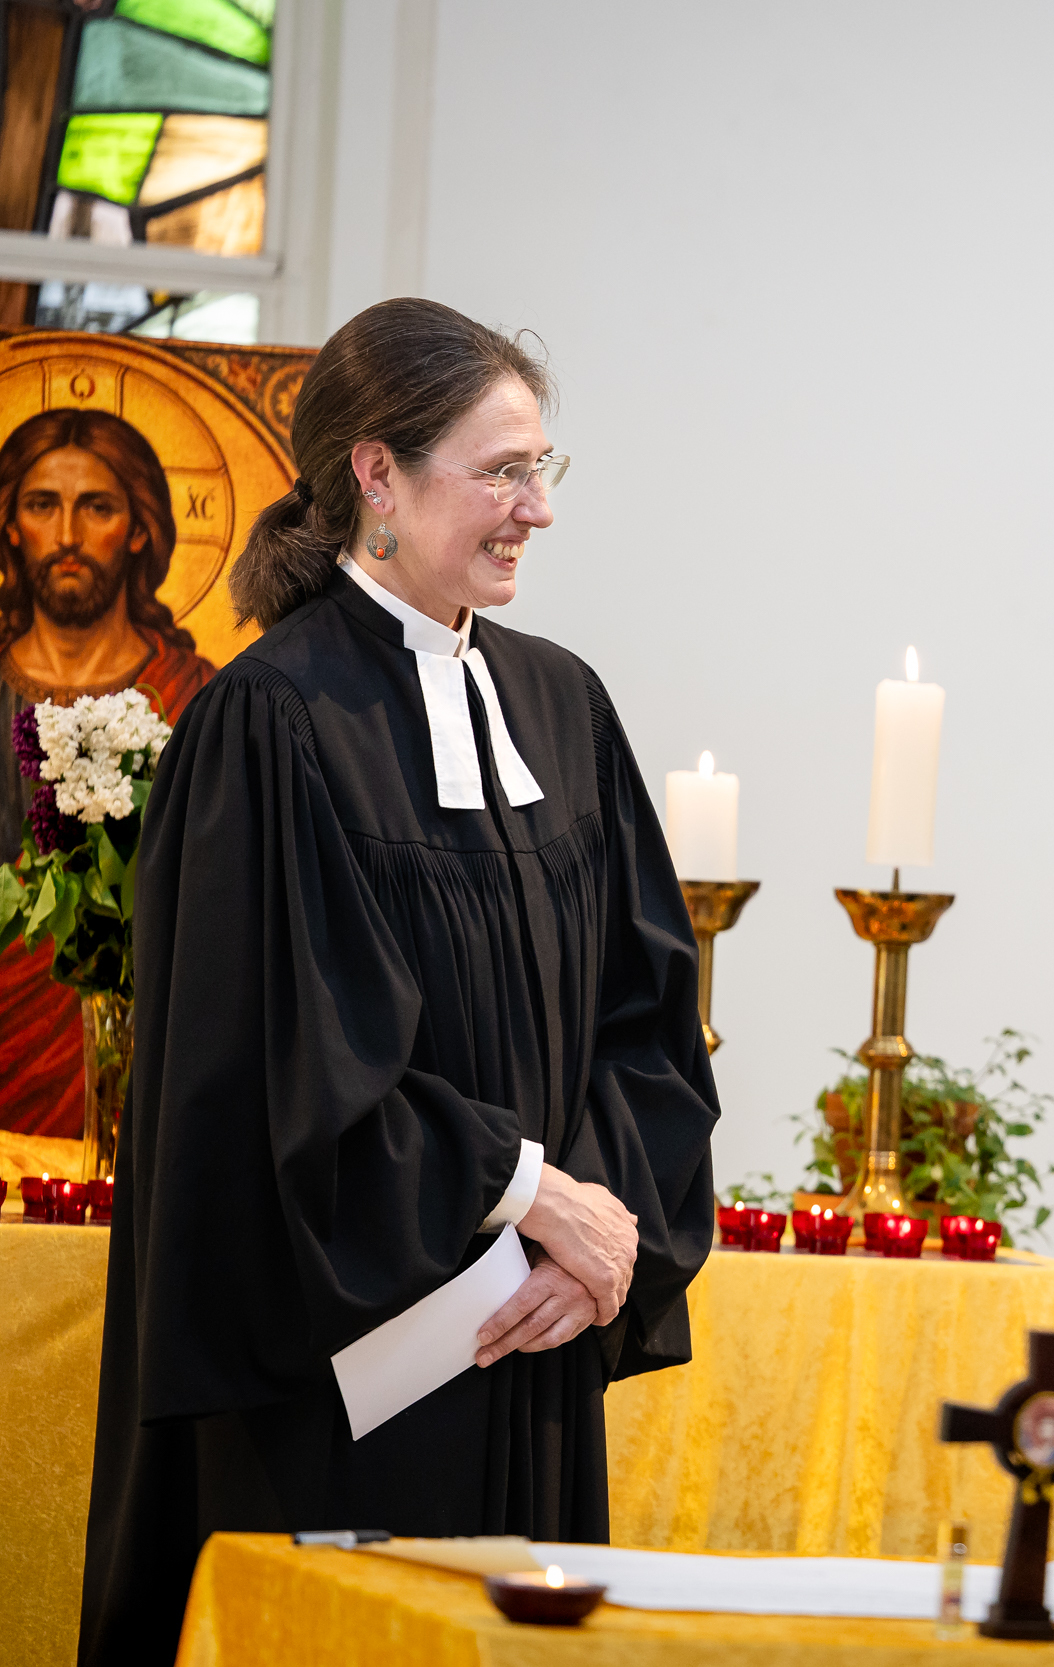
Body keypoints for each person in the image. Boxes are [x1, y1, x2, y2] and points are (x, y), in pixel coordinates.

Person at [79, 299, 719, 1663]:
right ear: (377, 472)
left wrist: (596, 1238)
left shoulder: (563, 706)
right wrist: (531, 1190)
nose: (537, 508)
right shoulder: (270, 722)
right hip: (347, 1381)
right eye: (503, 471)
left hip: (535, 1346)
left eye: (543, 467)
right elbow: (283, 1070)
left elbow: (651, 1020)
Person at [0, 409, 217, 1136]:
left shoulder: (197, 698)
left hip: (153, 1063)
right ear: (11, 527)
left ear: (139, 528)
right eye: (42, 505)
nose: (66, 535)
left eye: (95, 507)